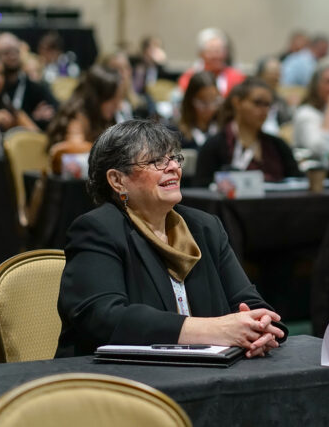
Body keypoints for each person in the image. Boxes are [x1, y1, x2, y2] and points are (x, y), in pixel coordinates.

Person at [56, 119, 287, 357]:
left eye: (175, 158)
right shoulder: (97, 229)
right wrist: (215, 330)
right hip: (118, 381)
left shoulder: (205, 227)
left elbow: (249, 302)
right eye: (157, 161)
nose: (173, 168)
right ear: (117, 180)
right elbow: (105, 317)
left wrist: (264, 328)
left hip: (206, 374)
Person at [196, 78, 301, 184]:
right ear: (237, 103)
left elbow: (298, 182)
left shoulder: (278, 146)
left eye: (267, 104)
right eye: (257, 103)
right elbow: (201, 190)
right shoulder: (214, 146)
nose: (264, 110)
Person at [46, 65, 124, 158]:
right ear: (97, 98)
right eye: (113, 100)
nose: (119, 106)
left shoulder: (102, 116)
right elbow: (75, 149)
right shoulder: (76, 115)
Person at [0, 32, 58, 130]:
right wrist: (32, 117)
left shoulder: (36, 88)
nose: (12, 56)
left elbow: (55, 112)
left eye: (16, 51)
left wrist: (30, 119)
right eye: (6, 52)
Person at [177, 28, 245, 96]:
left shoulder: (237, 77)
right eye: (211, 52)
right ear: (201, 54)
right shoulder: (189, 77)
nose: (216, 56)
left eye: (219, 51)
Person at [177, 71, 221, 150]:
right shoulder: (178, 134)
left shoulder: (223, 130)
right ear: (191, 100)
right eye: (204, 102)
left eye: (214, 101)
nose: (210, 108)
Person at [256, 56, 292, 135]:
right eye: (273, 73)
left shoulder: (280, 101)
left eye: (278, 73)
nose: (277, 77)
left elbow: (287, 125)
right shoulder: (250, 100)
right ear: (260, 75)